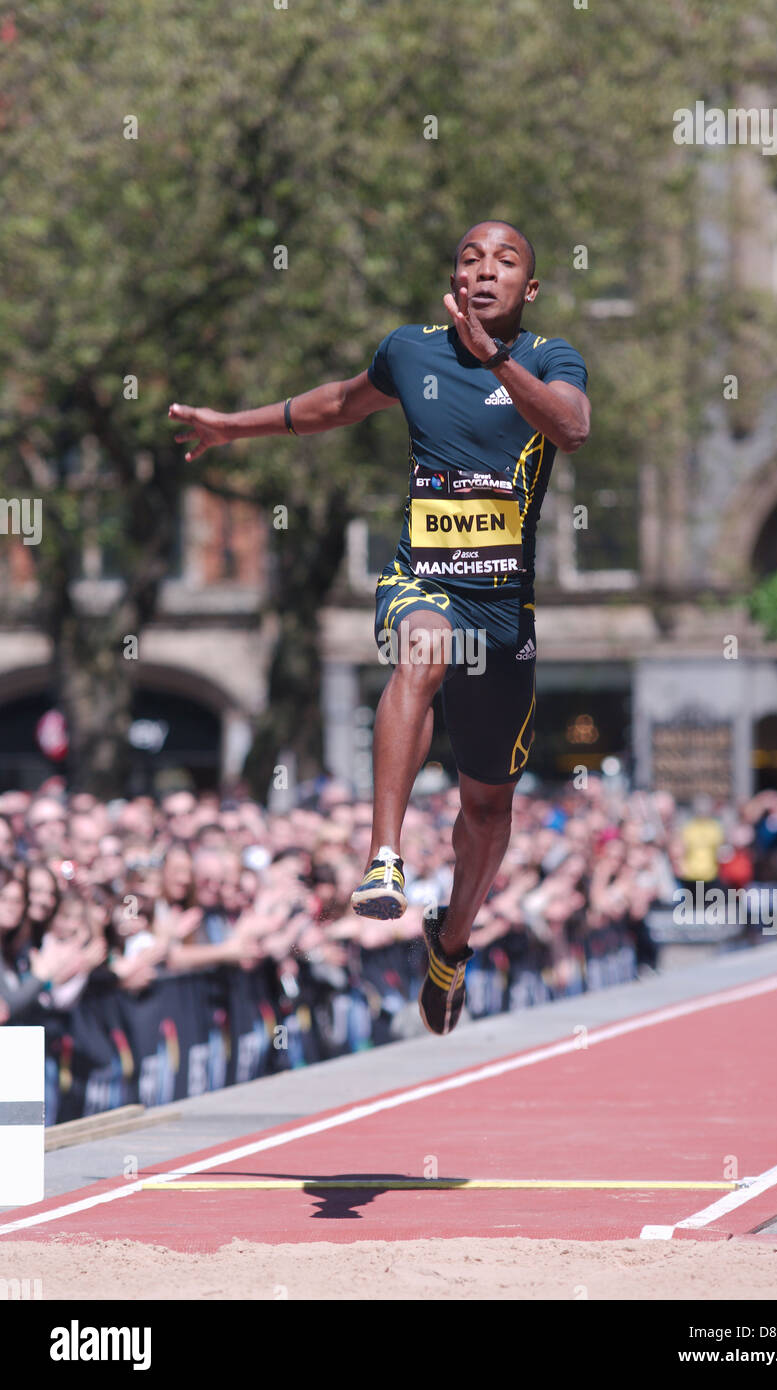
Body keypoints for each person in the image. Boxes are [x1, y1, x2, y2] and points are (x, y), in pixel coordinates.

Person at [168, 220, 590, 1034]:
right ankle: (383, 856)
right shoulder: (410, 351)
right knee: (418, 652)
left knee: (486, 812)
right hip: (422, 579)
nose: (483, 271)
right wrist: (233, 425)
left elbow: (569, 429)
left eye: (504, 262)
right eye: (468, 258)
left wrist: (497, 360)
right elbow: (336, 403)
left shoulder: (548, 359)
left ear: (528, 289)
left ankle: (451, 943)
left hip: (504, 614)